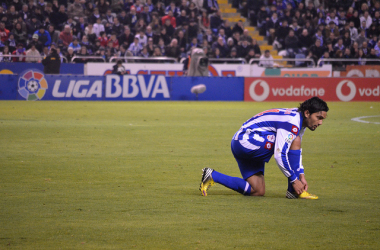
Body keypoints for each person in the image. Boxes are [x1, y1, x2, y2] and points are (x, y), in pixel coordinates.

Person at [199, 97, 329, 199]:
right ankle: (293, 191)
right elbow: (280, 154)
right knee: (291, 141)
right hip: (247, 141)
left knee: (257, 191)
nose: (320, 122)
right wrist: (294, 180)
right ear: (307, 113)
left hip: (243, 142)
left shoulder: (298, 120)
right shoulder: (292, 122)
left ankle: (213, 176)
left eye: (322, 119)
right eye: (318, 118)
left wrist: (301, 175)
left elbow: (297, 150)